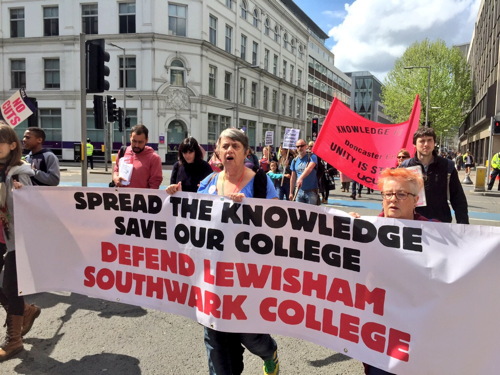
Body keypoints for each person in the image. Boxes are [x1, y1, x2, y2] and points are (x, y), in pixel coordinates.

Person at [166, 128, 280, 375]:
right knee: (219, 352)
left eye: (236, 146)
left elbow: (276, 227)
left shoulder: (261, 182)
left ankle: (269, 352)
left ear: (246, 152)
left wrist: (249, 211)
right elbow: (192, 226)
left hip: (247, 278)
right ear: (216, 151)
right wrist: (176, 201)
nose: (230, 150)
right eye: (225, 146)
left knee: (252, 337)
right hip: (212, 280)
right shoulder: (207, 184)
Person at [349, 168, 435, 375]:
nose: (393, 199)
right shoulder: (364, 229)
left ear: (415, 200)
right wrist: (344, 230)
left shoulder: (435, 233)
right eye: (388, 194)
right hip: (381, 332)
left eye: (401, 194)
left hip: (421, 331)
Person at [0, 122, 35, 362]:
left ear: (12, 145)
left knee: (13, 286)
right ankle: (26, 311)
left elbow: (32, 206)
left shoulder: (20, 172)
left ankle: (14, 340)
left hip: (15, 237)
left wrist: (21, 193)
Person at [400, 127, 469, 223]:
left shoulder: (447, 166)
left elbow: (458, 198)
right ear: (414, 144)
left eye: (429, 140)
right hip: (412, 221)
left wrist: (463, 224)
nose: (426, 144)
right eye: (422, 141)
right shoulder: (405, 167)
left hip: (439, 222)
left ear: (434, 143)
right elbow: (395, 194)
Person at [112, 124, 163, 189]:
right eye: (134, 141)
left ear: (147, 140)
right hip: (122, 197)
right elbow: (116, 170)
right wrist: (115, 178)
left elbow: (154, 185)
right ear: (130, 137)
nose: (137, 145)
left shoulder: (154, 158)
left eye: (140, 142)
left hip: (141, 198)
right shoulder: (123, 151)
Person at [289, 138, 319, 205]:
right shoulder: (294, 160)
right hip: (299, 191)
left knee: (311, 213)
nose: (300, 148)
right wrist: (291, 192)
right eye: (298, 146)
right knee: (299, 213)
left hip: (311, 191)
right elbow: (293, 177)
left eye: (302, 146)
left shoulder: (312, 157)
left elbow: (309, 168)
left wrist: (300, 178)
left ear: (306, 146)